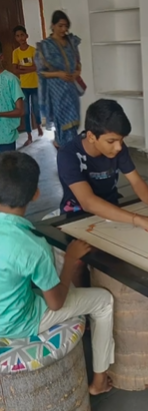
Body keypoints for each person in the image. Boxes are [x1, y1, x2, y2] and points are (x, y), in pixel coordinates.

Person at [0, 151, 115, 395]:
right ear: (35, 194)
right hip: (16, 323)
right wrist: (71, 259)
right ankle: (99, 381)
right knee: (104, 301)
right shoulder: (32, 246)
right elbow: (56, 303)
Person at [57, 98, 148, 232]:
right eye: (111, 141)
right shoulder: (68, 155)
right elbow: (88, 202)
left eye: (121, 140)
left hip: (114, 207)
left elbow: (136, 181)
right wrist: (139, 220)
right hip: (78, 214)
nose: (118, 147)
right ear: (91, 136)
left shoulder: (119, 148)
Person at [34, 10, 82, 149]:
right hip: (56, 90)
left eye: (66, 26)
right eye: (60, 26)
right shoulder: (45, 46)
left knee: (73, 120)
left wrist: (76, 73)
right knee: (62, 121)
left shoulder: (71, 42)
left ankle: (71, 149)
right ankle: (63, 148)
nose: (64, 29)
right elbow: (41, 72)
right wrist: (59, 74)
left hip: (71, 87)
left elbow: (78, 63)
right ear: (52, 25)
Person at [12, 25, 43, 147]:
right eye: (18, 36)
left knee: (36, 109)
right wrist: (30, 69)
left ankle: (39, 126)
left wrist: (23, 68)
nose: (21, 38)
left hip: (35, 85)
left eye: (22, 35)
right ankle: (29, 135)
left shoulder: (33, 51)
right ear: (16, 38)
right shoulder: (16, 53)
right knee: (26, 112)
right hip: (23, 87)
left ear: (26, 36)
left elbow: (38, 67)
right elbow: (15, 70)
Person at [0, 41, 24, 152]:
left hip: (6, 138)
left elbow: (20, 111)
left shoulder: (11, 79)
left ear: (1, 57)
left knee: (6, 168)